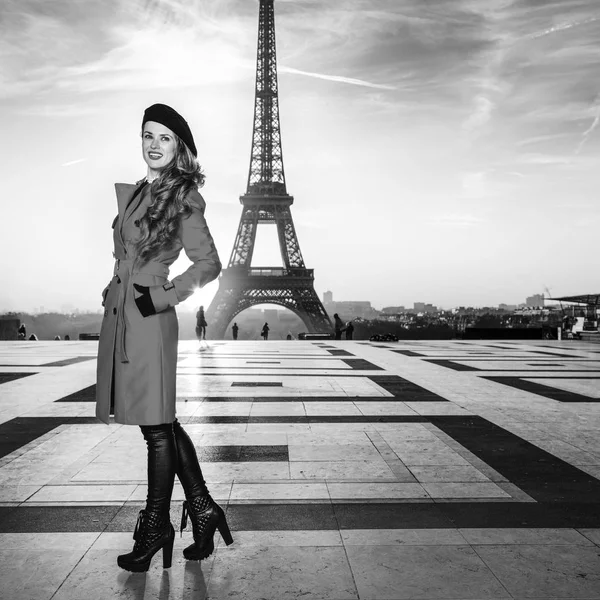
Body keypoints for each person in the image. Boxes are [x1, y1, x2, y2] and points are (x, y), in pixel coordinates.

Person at [95, 103, 232, 573]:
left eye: (165, 138)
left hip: (150, 319)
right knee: (162, 423)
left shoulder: (182, 196)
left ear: (180, 148)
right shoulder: (140, 192)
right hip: (125, 314)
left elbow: (209, 264)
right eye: (147, 135)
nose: (153, 144)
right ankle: (203, 509)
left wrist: (163, 296)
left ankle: (155, 526)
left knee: (155, 429)